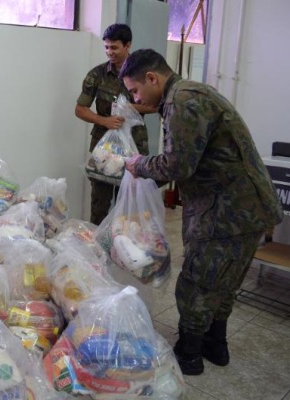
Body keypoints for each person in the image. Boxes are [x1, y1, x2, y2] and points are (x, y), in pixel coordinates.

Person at [119, 48, 283, 375]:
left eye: (135, 90)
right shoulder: (191, 93)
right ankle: (215, 345)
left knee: (196, 282)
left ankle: (189, 355)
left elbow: (178, 164)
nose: (136, 97)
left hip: (227, 211)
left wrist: (138, 164)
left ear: (152, 78)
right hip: (246, 208)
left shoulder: (182, 102)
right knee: (224, 281)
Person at [75, 23, 157, 225]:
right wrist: (103, 120)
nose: (109, 52)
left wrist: (127, 108)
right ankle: (96, 251)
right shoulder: (97, 75)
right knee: (100, 204)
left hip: (133, 147)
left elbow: (154, 105)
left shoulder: (143, 75)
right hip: (104, 147)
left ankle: (122, 249)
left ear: (128, 45)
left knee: (128, 205)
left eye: (114, 47)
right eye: (106, 47)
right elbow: (80, 109)